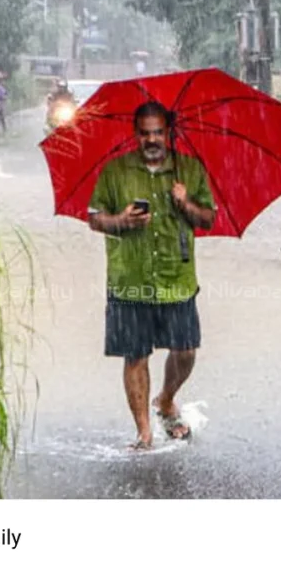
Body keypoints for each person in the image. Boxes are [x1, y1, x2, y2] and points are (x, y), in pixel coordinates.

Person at [87, 101, 217, 449]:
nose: (152, 139)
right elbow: (94, 217)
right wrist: (121, 222)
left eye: (158, 132)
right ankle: (144, 432)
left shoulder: (188, 169)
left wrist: (185, 202)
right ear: (136, 134)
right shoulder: (114, 172)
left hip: (177, 278)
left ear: (168, 132)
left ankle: (167, 398)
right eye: (145, 133)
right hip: (130, 279)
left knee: (186, 350)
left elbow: (208, 219)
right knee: (136, 354)